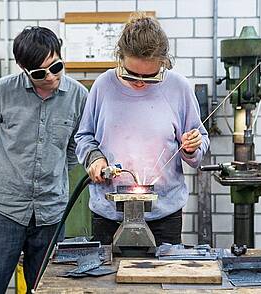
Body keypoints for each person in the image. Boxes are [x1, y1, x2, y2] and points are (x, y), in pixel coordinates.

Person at [75, 12, 209, 246]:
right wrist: (94, 159)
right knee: (106, 280)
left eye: (150, 77)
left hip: (163, 217)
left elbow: (198, 151)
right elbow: (84, 137)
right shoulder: (104, 86)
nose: (140, 83)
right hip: (109, 215)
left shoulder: (178, 88)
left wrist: (192, 147)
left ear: (164, 63)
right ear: (120, 58)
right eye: (132, 74)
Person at [0, 26, 88, 293]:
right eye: (39, 73)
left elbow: (74, 148)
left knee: (46, 287)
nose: (50, 77)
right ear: (23, 68)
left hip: (50, 211)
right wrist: (4, 178)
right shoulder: (0, 93)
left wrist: (54, 175)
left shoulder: (79, 96)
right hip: (4, 210)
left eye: (56, 67)